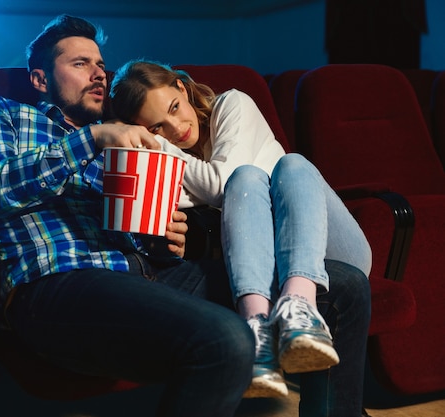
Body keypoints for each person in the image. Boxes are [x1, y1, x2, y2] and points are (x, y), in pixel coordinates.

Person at [0, 14, 371, 417]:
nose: (98, 73)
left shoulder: (127, 136)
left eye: (101, 64)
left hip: (149, 273)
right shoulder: (2, 112)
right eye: (80, 64)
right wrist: (92, 139)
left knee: (345, 286)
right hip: (58, 281)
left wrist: (169, 235)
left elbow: (165, 213)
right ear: (41, 79)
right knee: (228, 339)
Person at [109, 60, 373, 410]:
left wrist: (162, 149)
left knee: (283, 167)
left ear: (182, 88)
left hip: (329, 250)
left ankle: (300, 303)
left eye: (174, 108)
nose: (177, 127)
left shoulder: (233, 104)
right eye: (158, 127)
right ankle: (257, 328)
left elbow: (220, 182)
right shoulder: (182, 162)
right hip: (266, 265)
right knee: (246, 179)